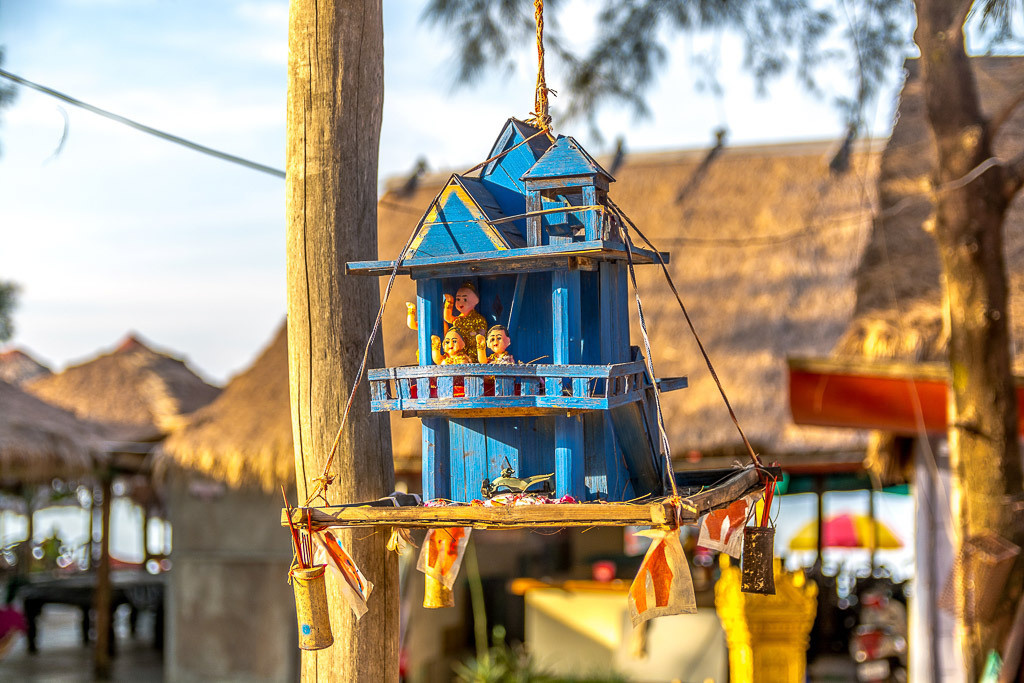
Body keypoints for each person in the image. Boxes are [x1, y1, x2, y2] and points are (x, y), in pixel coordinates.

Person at [443, 282, 487, 359]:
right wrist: (449, 302)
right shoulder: (458, 319)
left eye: (465, 299)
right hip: (457, 352)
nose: (461, 303)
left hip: (472, 354)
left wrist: (472, 335)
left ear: (475, 301)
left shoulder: (479, 319)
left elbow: (482, 334)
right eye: (458, 299)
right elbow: (448, 318)